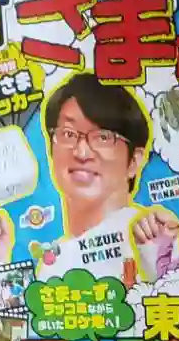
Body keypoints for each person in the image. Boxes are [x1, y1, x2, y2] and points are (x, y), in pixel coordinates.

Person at [38, 73, 169, 282]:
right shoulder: (56, 258)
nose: (81, 152)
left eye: (103, 137)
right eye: (68, 134)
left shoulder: (154, 239)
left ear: (134, 161)